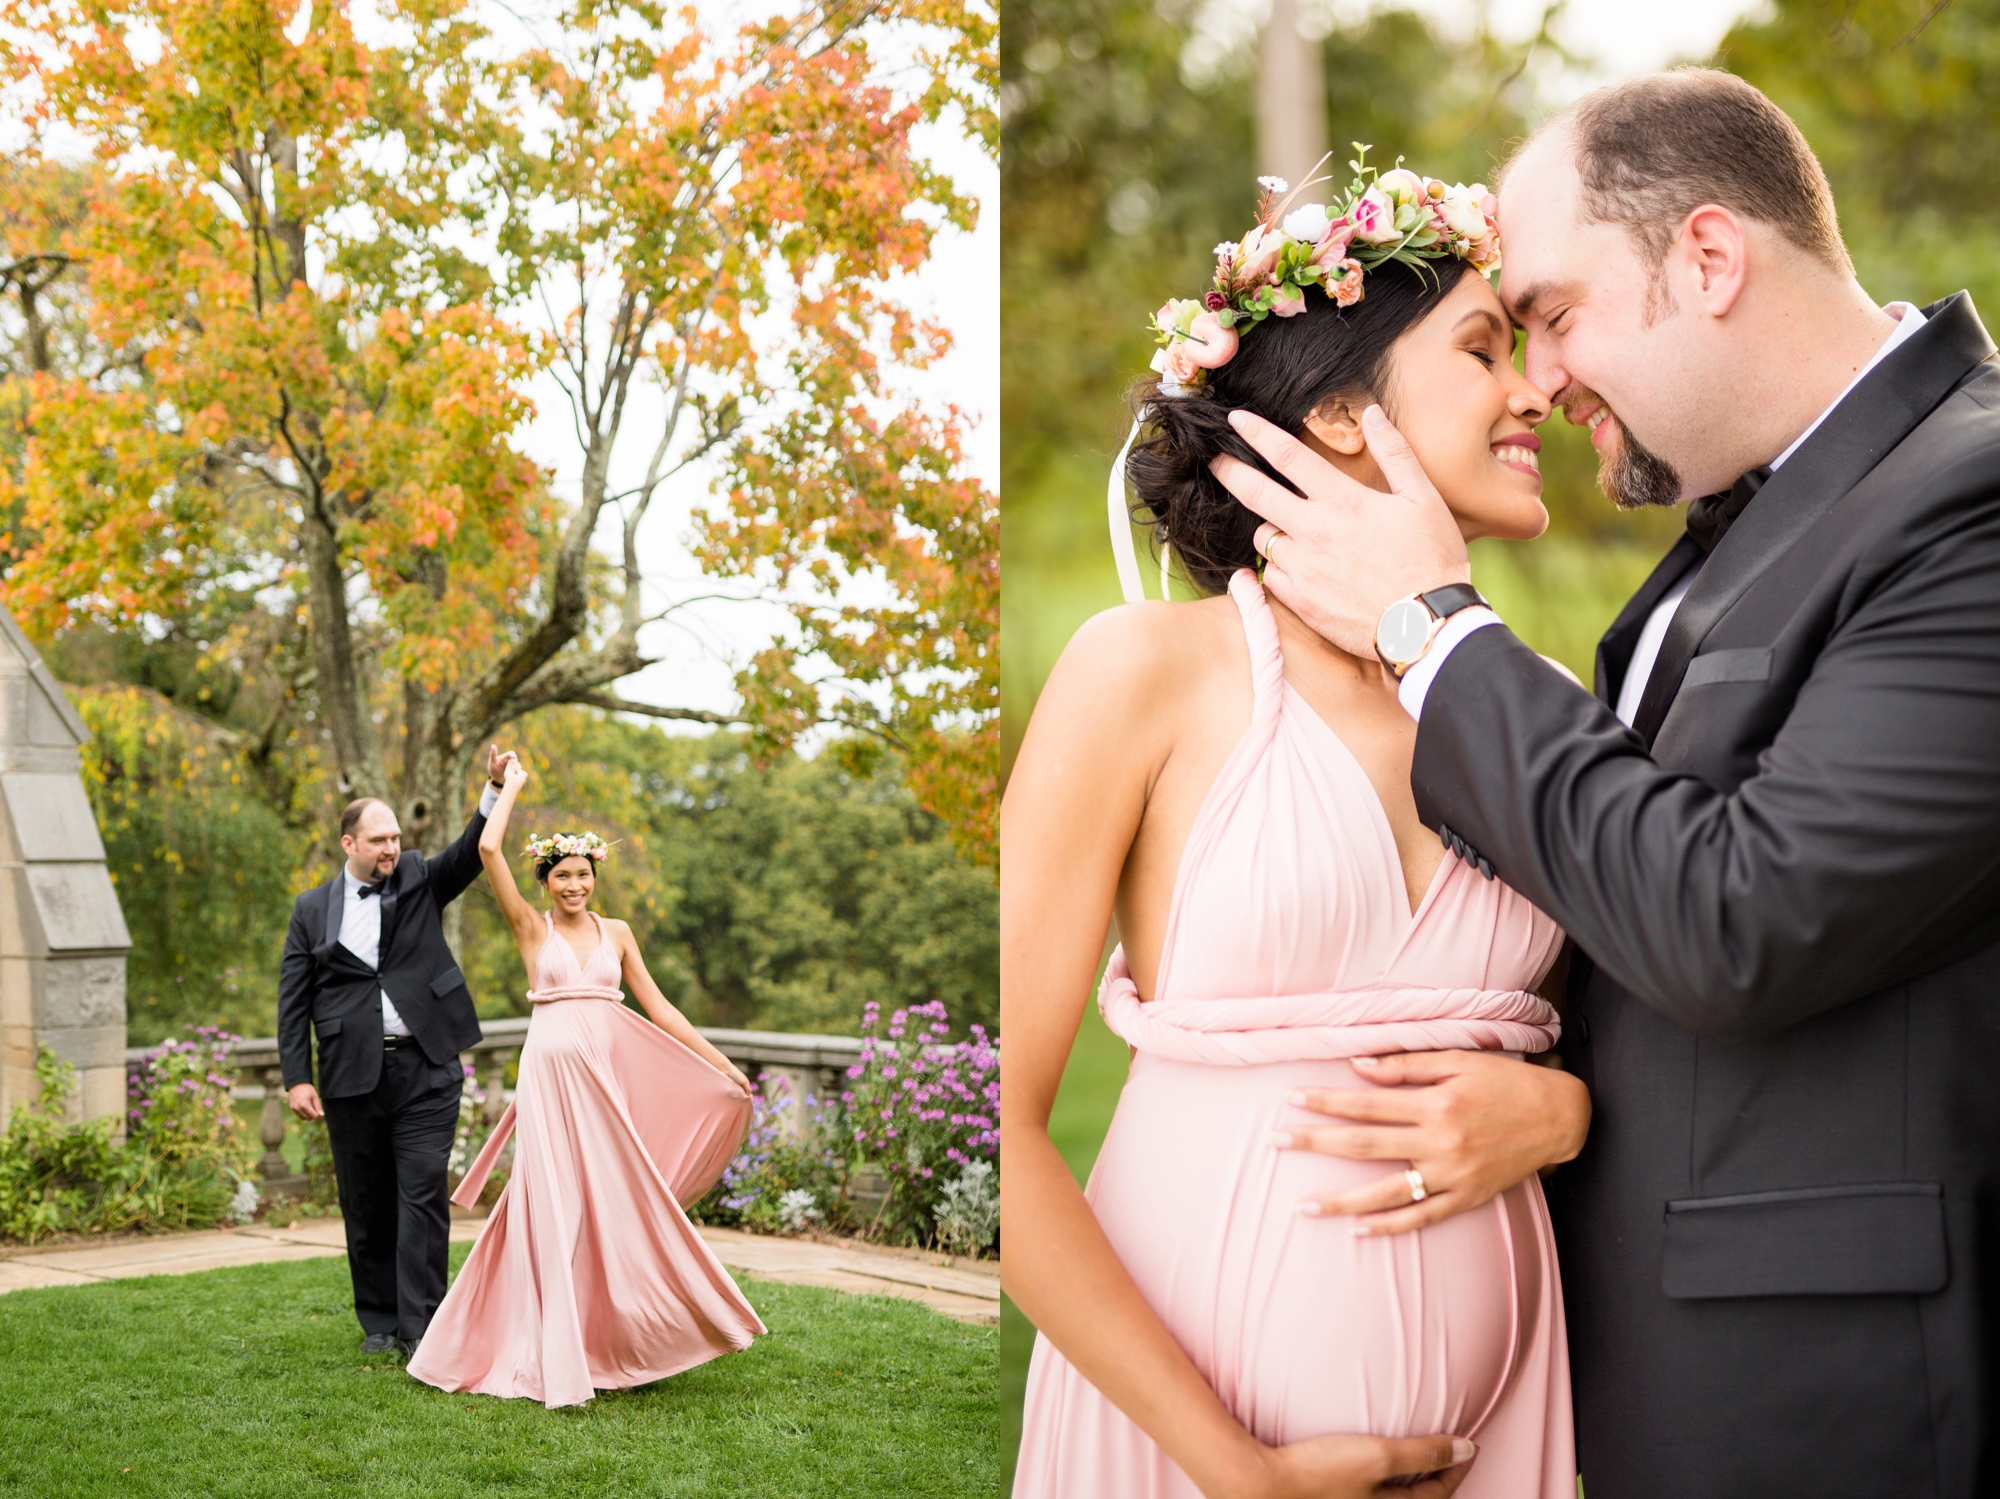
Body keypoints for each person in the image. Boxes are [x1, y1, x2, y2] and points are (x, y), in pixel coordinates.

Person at [1213, 70, 2000, 1497]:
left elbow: (1747, 912)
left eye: (1557, 317)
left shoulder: (1975, 501)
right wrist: (1566, 1098)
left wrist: (1434, 633)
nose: (1547, 378)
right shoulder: (1751, 521)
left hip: (1836, 1406)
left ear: (1707, 258)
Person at [1004, 151, 1589, 1499]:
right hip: (1189, 1444)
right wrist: (1238, 1467)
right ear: (1339, 410)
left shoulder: (1543, 706)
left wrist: (1561, 1108)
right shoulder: (1143, 671)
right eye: (1487, 349)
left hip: (1501, 1432)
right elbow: (1009, 1130)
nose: (1536, 390)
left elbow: (1653, 1020)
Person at [407, 755, 765, 1408]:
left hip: (604, 1088)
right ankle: (547, 1352)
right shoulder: (530, 927)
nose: (574, 885)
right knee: (551, 1206)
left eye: (583, 875)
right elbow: (488, 846)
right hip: (548, 1085)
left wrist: (722, 1064)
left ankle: (629, 1335)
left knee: (617, 1206)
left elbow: (661, 1009)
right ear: (546, 881)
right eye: (563, 875)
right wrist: (510, 785)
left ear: (594, 877)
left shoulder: (619, 934)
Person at [278, 745, 516, 1357]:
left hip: (427, 1066)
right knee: (366, 1200)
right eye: (378, 840)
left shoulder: (416, 877)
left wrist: (490, 791)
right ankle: (380, 1322)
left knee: (421, 1194)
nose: (390, 848)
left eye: (395, 838)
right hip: (350, 1074)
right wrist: (295, 1076)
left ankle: (425, 1326)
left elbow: (467, 856)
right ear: (348, 844)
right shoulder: (310, 911)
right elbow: (293, 998)